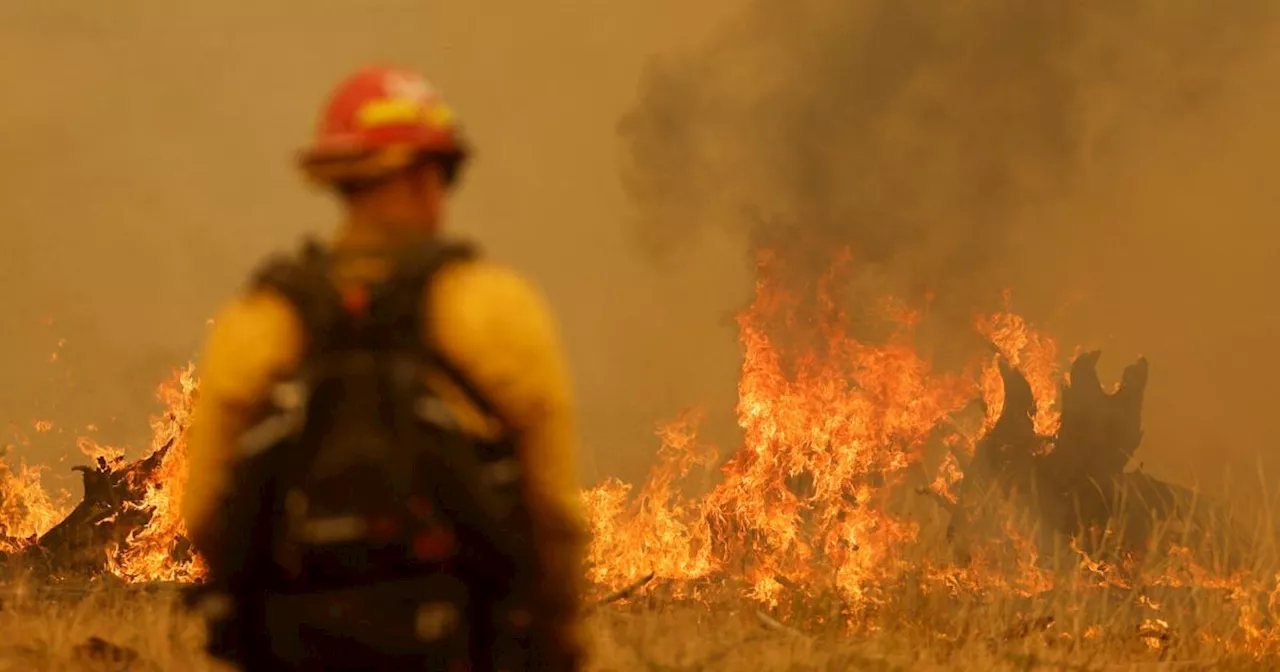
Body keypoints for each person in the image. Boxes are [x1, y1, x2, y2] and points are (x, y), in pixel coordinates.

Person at [180, 65, 587, 671]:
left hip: (293, 645)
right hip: (457, 644)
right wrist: (556, 644)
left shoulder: (260, 320)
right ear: (427, 176)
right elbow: (552, 512)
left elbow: (207, 512)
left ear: (340, 181)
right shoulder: (498, 308)